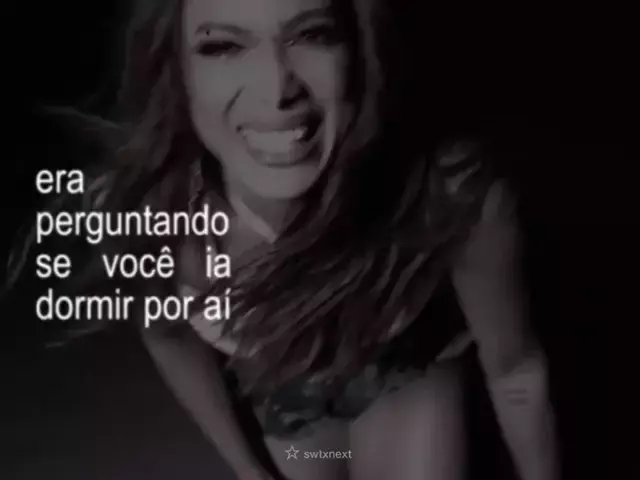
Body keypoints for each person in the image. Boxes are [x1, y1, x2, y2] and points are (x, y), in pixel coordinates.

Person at [8, 0, 560, 479]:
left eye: (312, 34)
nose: (276, 90)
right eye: (223, 46)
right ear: (175, 69)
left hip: (402, 373)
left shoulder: (450, 190)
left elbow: (517, 371)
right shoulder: (153, 215)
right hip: (287, 401)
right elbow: (169, 339)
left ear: (361, 49)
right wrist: (248, 470)